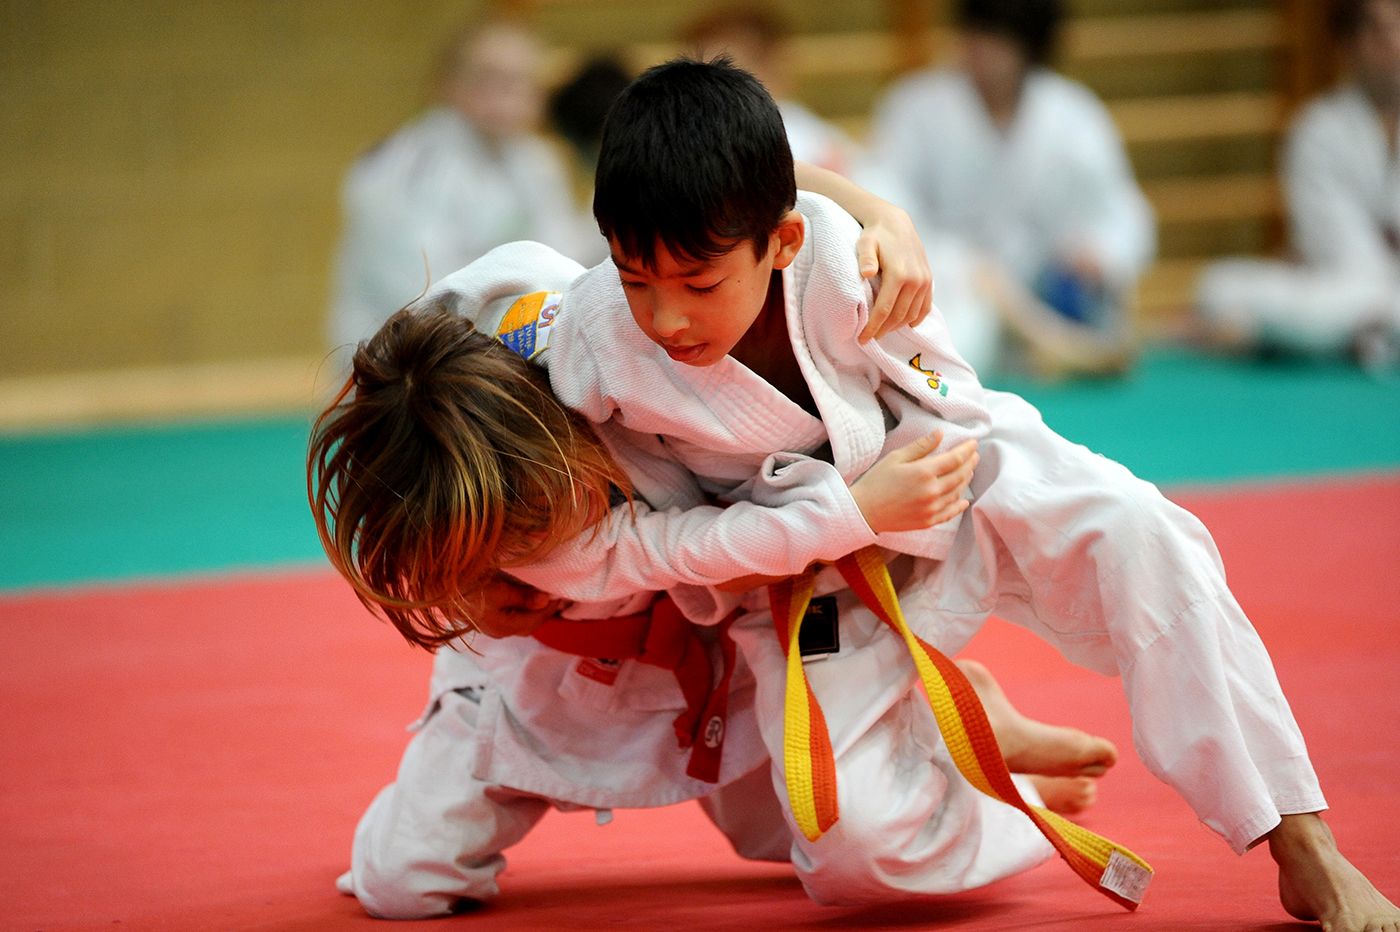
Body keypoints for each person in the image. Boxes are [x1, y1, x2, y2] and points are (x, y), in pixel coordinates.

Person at [423, 59, 1396, 929]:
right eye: (635, 277)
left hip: (943, 471)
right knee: (854, 852)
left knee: (1144, 531)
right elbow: (447, 362)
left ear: (780, 243)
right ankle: (986, 773)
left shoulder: (849, 262)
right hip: (796, 570)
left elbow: (947, 396)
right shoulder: (587, 343)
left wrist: (882, 231)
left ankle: (1297, 839)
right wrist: (845, 516)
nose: (665, 314)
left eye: (696, 277)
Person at [310, 241, 1116, 918]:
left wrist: (881, 219)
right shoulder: (441, 459)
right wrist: (471, 585)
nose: (520, 576)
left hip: (710, 645)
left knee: (815, 832)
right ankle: (935, 727)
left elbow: (765, 215)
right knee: (400, 880)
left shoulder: (610, 389)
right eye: (486, 568)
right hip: (538, 677)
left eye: (524, 548)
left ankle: (940, 735)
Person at [871, 0, 1155, 376]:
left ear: (1030, 47)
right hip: (953, 288)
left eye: (998, 42)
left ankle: (1059, 342)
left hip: (1047, 288)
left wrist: (1098, 255)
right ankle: (1054, 345)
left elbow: (1120, 214)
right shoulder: (916, 108)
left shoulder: (1074, 115)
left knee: (1093, 306)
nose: (982, 53)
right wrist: (961, 266)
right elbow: (884, 205)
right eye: (975, 37)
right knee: (964, 328)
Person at [326, 19, 598, 372]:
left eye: (520, 81)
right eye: (490, 77)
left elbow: (564, 266)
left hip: (498, 362)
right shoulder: (403, 167)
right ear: (448, 82)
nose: (506, 93)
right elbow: (423, 293)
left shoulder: (536, 162)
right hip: (398, 370)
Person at [1197, 0, 1400, 374]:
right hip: (1344, 291)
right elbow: (1349, 260)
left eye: (1398, 27)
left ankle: (1349, 333)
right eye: (1376, 31)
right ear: (1348, 45)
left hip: (1365, 301)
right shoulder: (1318, 132)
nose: (1391, 43)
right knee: (1219, 286)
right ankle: (1368, 330)